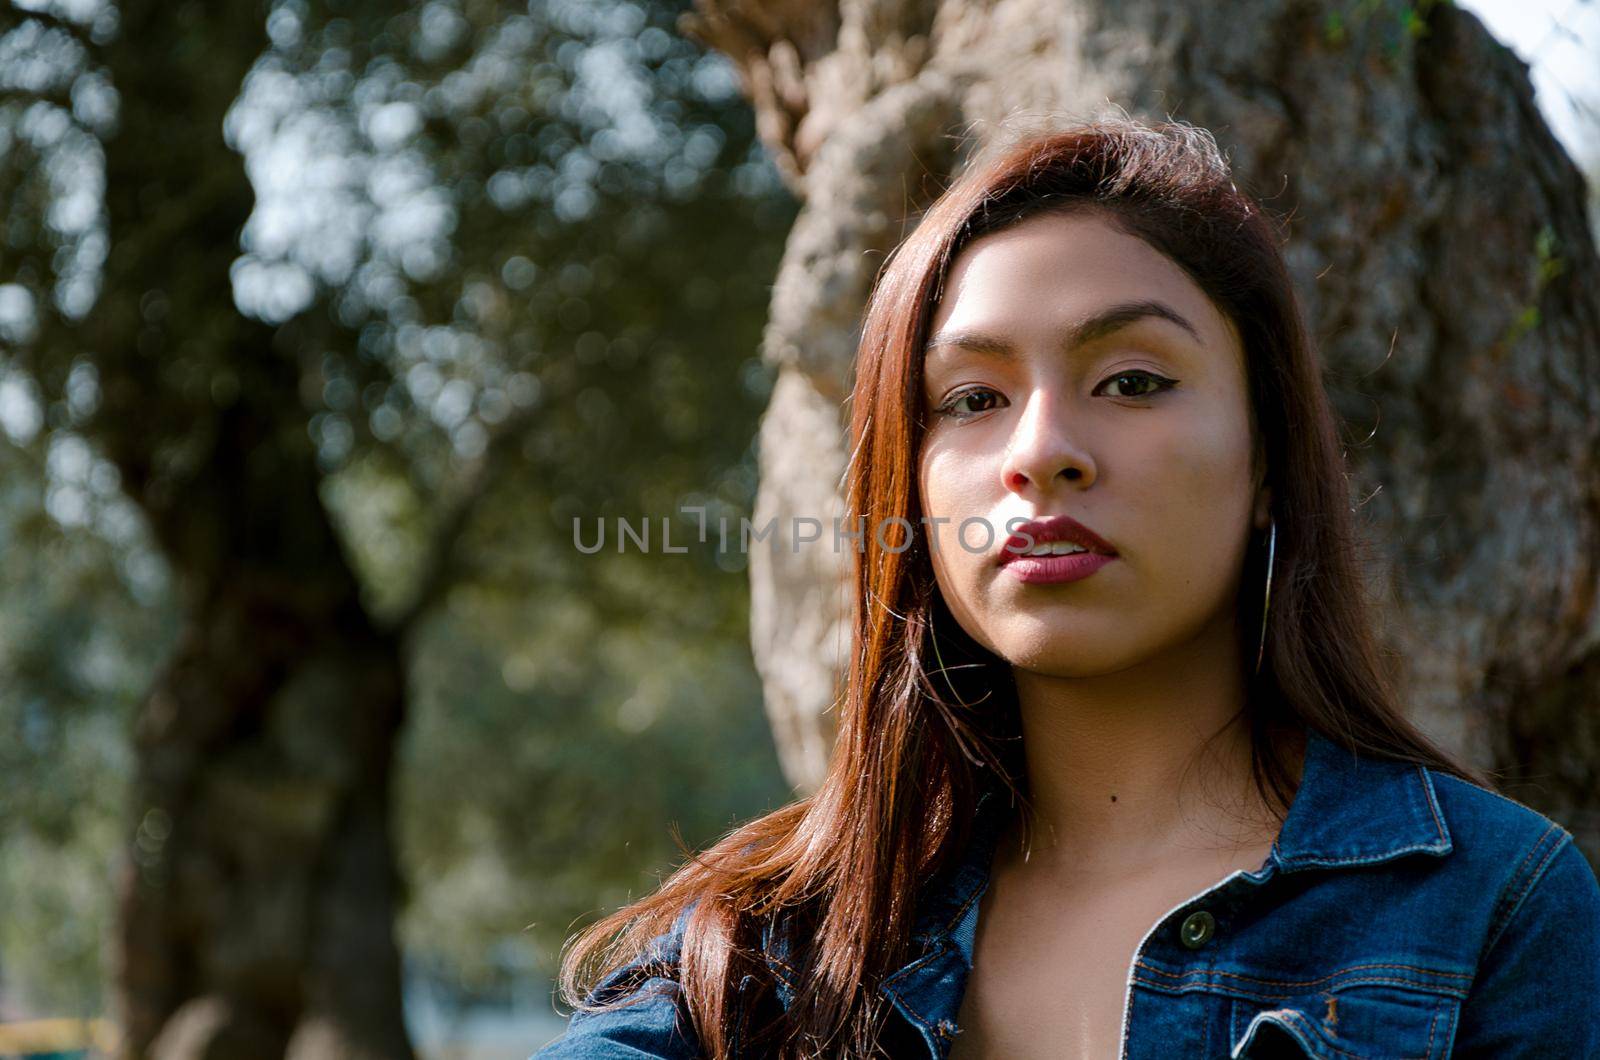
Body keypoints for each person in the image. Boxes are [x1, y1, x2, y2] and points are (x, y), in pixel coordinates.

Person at [533, 117, 1600, 1059]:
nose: (1039, 452)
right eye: (971, 396)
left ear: (1269, 459)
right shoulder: (758, 946)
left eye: (1131, 381)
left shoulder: (1489, 910)